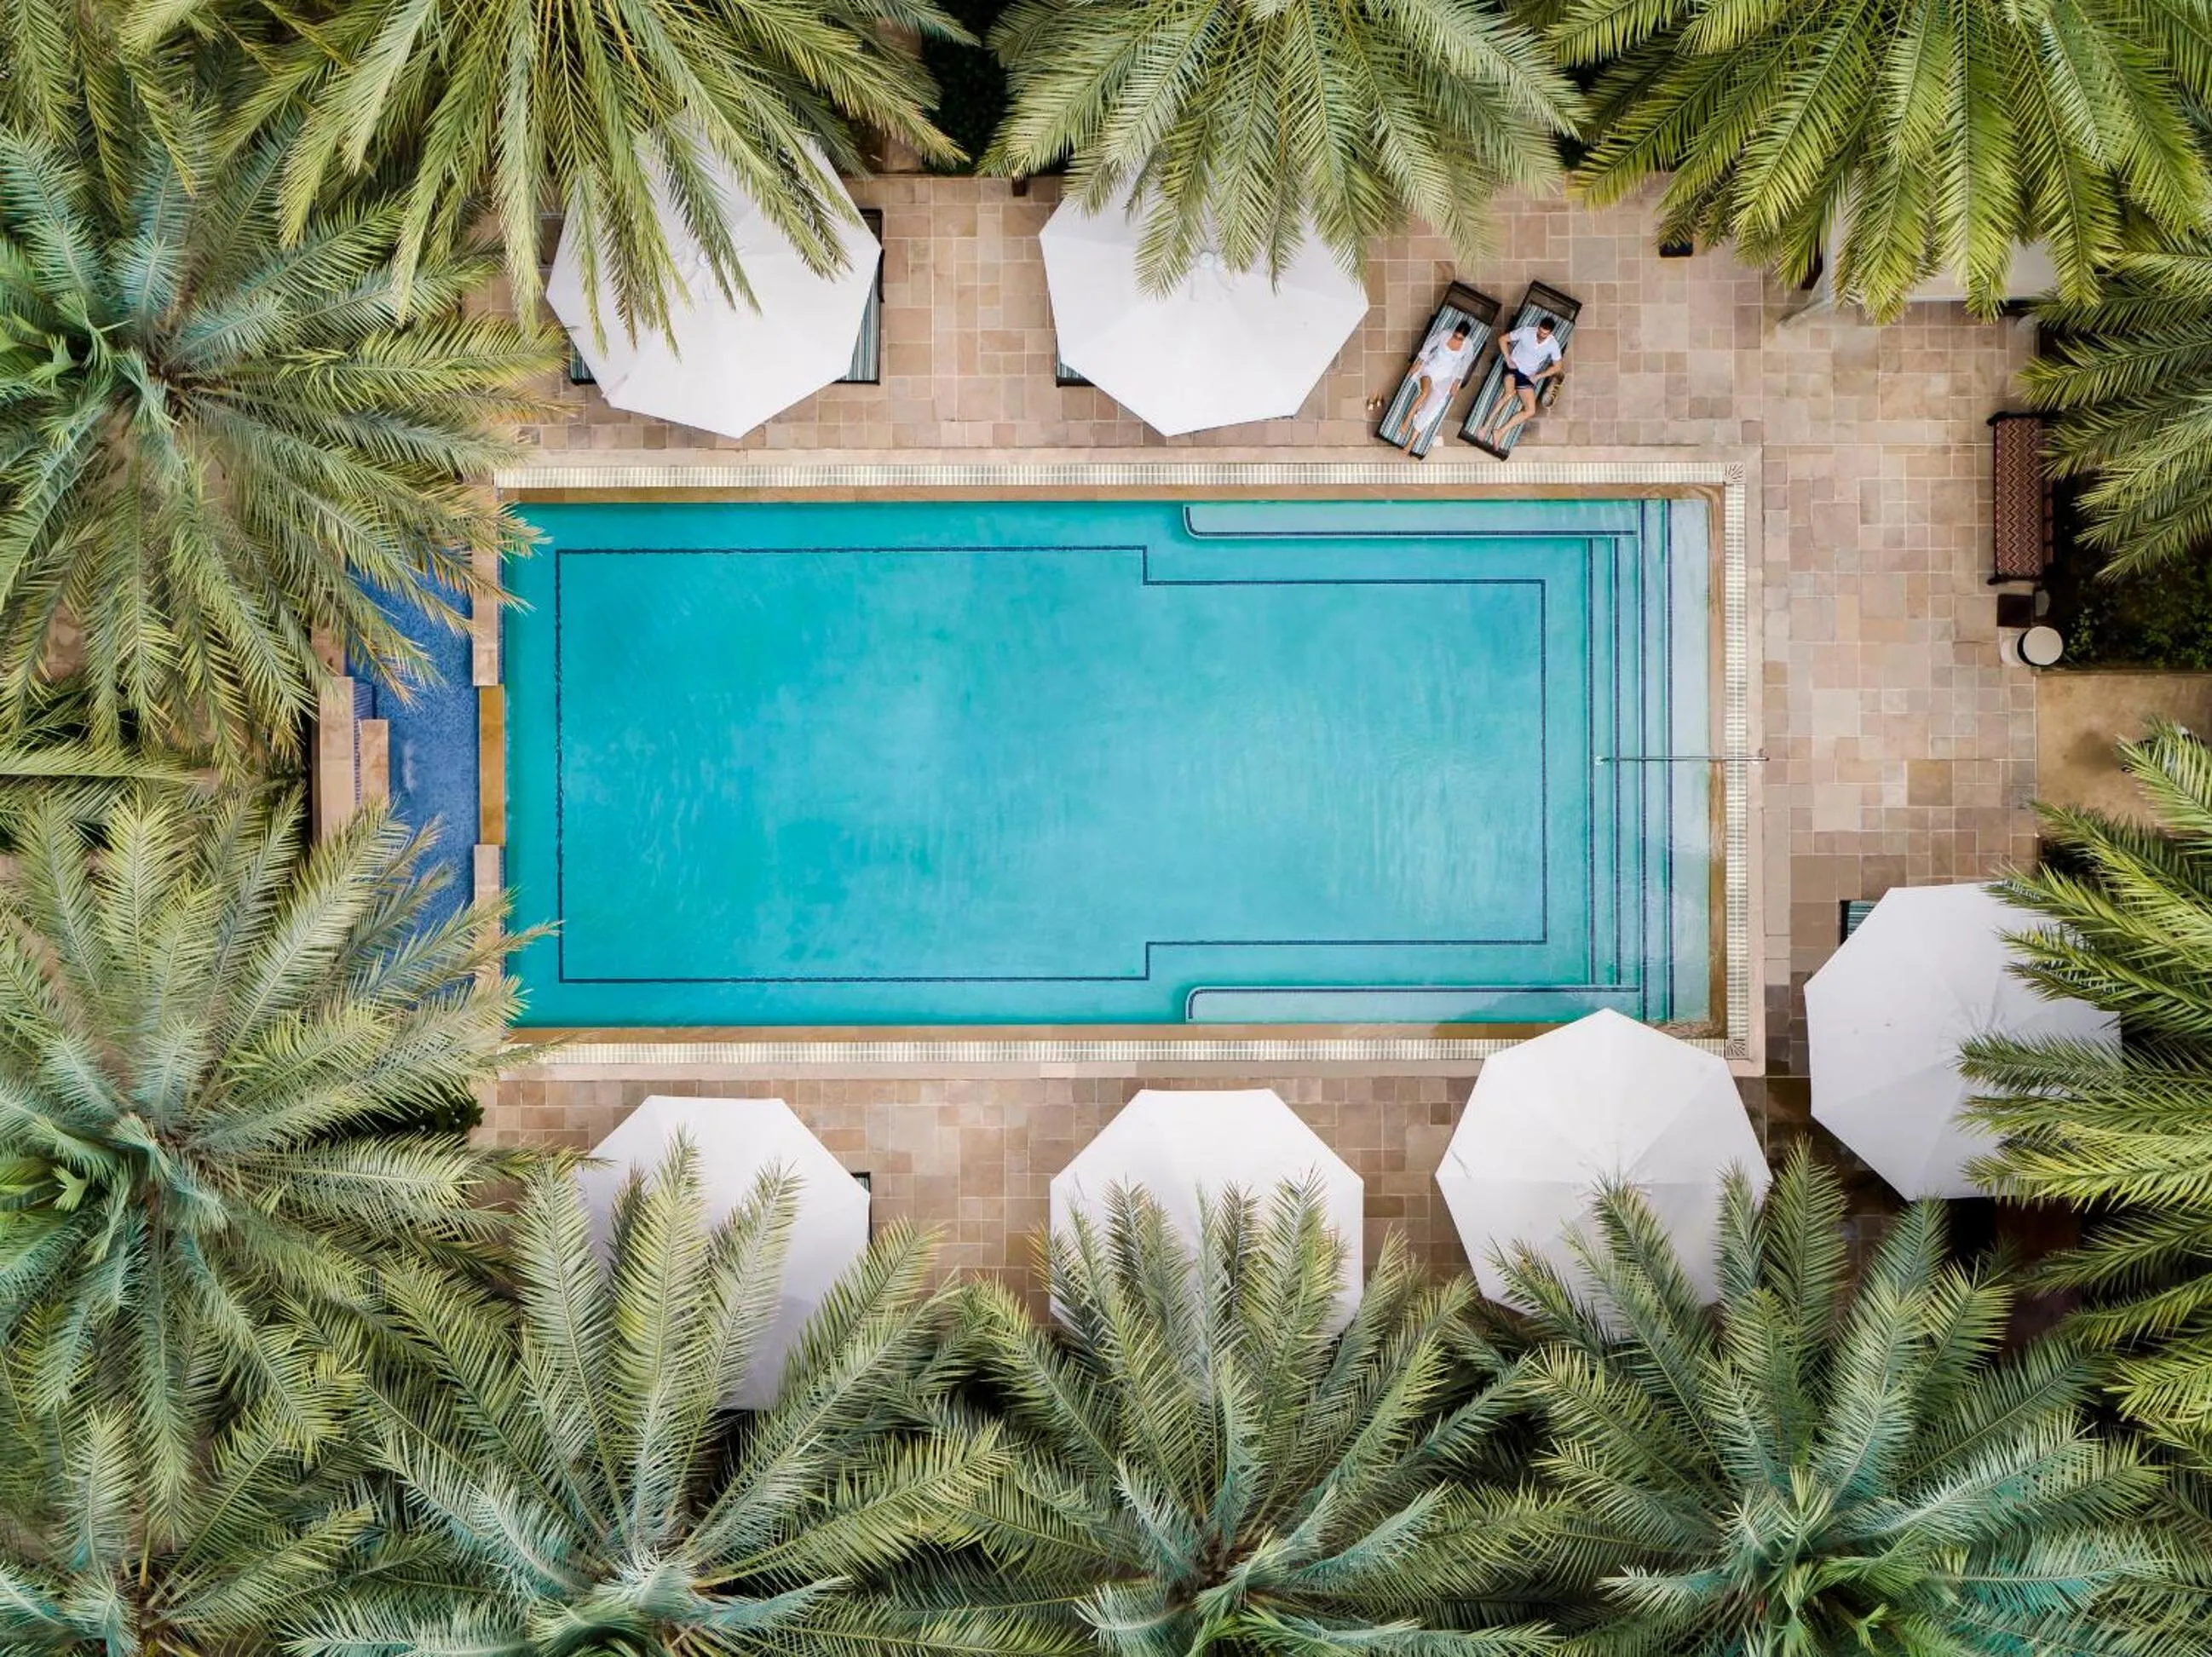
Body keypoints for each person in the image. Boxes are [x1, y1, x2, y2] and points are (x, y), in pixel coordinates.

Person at [1472, 316, 1564, 450]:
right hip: (1513, 367)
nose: (1541, 335)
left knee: (1531, 411)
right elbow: (1502, 339)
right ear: (1538, 327)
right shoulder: (1526, 331)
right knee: (1509, 394)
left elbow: (1558, 367)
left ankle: (1500, 432)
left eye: (1545, 334)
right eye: (1540, 332)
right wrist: (1508, 359)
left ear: (1550, 333)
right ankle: (1485, 427)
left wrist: (1538, 376)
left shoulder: (1553, 345)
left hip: (1527, 376)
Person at [1405, 317, 1478, 436]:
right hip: (1432, 369)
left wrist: (1456, 383)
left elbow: (1465, 364)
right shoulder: (1444, 334)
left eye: (1461, 338)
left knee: (1434, 404)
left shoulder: (1468, 345)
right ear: (1454, 331)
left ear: (1465, 337)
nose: (1457, 339)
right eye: (1455, 335)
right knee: (1425, 393)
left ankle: (1415, 433)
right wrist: (1418, 364)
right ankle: (1408, 419)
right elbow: (1428, 346)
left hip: (1446, 376)